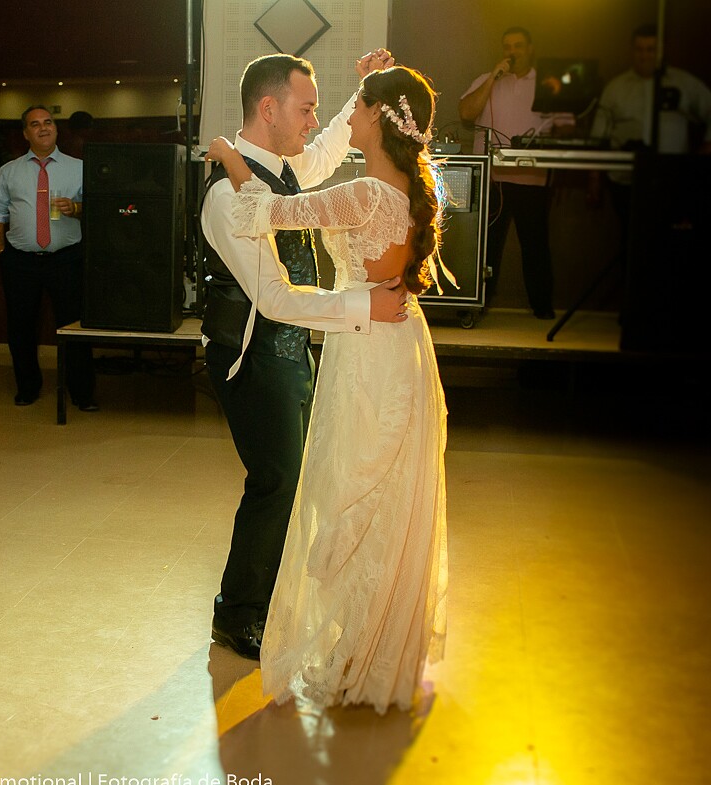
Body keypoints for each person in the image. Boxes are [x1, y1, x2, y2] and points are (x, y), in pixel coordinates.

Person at [208, 64, 449, 714]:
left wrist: (228, 154)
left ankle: (356, 650)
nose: (340, 122)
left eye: (353, 110)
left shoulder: (364, 195)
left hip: (365, 350)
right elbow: (325, 157)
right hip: (401, 345)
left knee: (351, 489)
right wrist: (365, 90)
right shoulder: (395, 189)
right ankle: (373, 646)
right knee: (384, 494)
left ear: (376, 117)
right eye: (313, 108)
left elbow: (263, 208)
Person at [0, 105, 95, 411]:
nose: (44, 128)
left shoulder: (78, 167)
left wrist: (77, 208)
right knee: (20, 328)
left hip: (66, 258)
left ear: (56, 129)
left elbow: (96, 206)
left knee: (74, 328)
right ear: (25, 133)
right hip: (20, 260)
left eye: (48, 122)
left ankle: (82, 393)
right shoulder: (9, 171)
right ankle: (27, 388)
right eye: (35, 124)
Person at [459, 26, 571, 320]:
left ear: (530, 48)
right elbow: (466, 114)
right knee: (485, 245)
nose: (512, 51)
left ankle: (542, 307)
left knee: (535, 244)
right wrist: (493, 78)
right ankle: (474, 307)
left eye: (519, 45)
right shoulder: (488, 80)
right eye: (507, 46)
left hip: (531, 178)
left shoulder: (546, 83)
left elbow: (568, 125)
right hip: (492, 179)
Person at [590, 23, 711, 216]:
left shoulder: (683, 83)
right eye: (639, 49)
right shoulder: (616, 88)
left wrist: (708, 143)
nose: (644, 55)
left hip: (672, 179)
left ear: (661, 51)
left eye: (650, 49)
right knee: (630, 239)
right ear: (631, 51)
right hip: (625, 179)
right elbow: (599, 133)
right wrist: (595, 177)